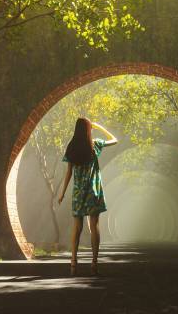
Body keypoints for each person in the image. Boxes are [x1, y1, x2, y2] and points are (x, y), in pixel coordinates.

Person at [58, 118, 117, 276]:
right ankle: (94, 263)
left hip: (78, 192)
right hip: (93, 191)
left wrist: (62, 193)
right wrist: (100, 127)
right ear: (89, 129)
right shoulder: (95, 144)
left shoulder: (71, 147)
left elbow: (69, 171)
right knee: (94, 226)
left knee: (77, 228)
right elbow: (115, 140)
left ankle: (73, 262)